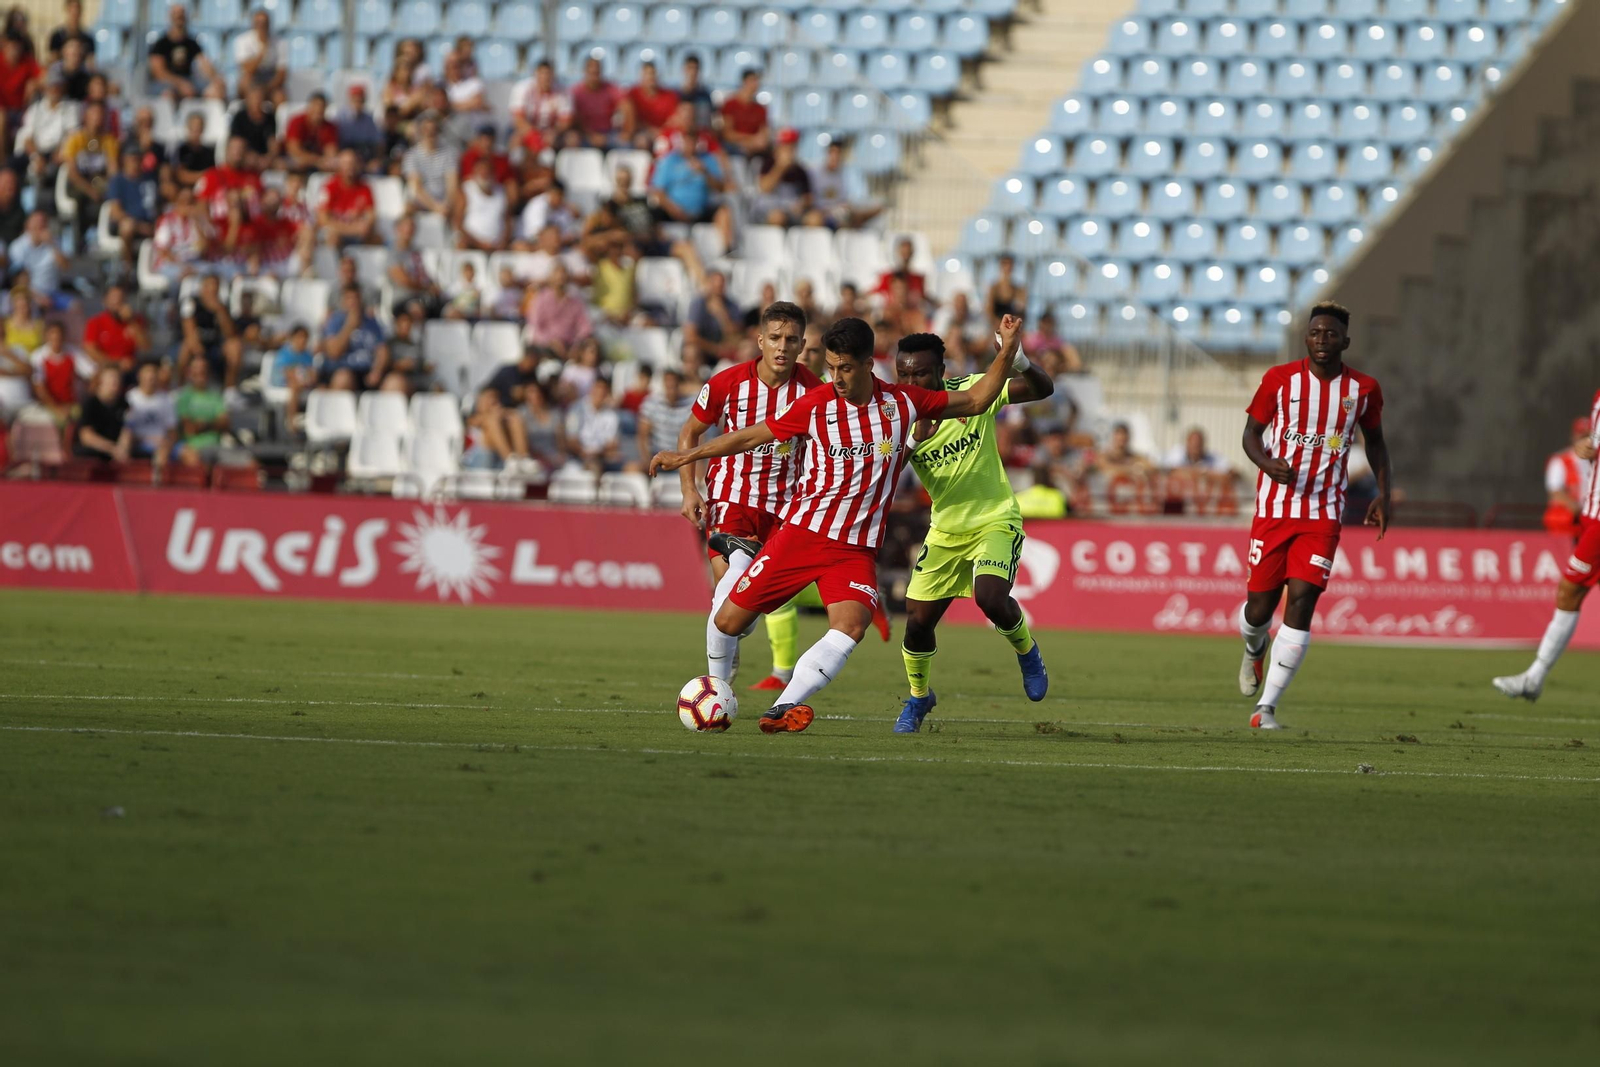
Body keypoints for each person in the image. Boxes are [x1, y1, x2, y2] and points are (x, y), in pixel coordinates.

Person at [651, 315, 1024, 732]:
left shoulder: (902, 403)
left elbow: (976, 400)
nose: (837, 377)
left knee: (851, 626)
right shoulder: (816, 404)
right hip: (800, 536)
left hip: (853, 551)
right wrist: (686, 457)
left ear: (868, 364)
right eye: (831, 367)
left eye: (845, 367)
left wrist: (1008, 348)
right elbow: (751, 436)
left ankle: (783, 706)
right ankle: (739, 597)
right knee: (728, 623)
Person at [893, 330, 1056, 731]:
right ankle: (919, 698)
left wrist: (1016, 360)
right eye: (904, 376)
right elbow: (883, 472)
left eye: (922, 375)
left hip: (994, 517)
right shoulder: (896, 415)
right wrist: (915, 439)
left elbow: (1042, 389)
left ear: (942, 372)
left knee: (990, 598)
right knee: (916, 625)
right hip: (946, 530)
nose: (912, 384)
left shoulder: (969, 391)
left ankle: (1027, 652)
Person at [1238, 302, 1390, 729]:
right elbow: (1251, 435)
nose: (1321, 340)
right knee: (1258, 608)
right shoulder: (1279, 380)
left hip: (1324, 512)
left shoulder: (1363, 389)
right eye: (1315, 333)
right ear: (1306, 338)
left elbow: (1376, 443)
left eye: (1329, 334)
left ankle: (1266, 708)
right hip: (1273, 509)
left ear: (1345, 341)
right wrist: (1268, 464)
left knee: (1302, 601)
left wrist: (1384, 492)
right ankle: (1253, 651)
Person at [675, 302, 832, 690]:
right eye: (775, 338)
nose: (782, 347)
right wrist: (689, 489)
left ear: (801, 345)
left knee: (741, 615)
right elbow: (689, 433)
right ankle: (716, 691)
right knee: (728, 595)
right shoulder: (727, 384)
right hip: (732, 501)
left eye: (791, 340)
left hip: (783, 511)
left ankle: (731, 640)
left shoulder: (815, 393)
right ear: (760, 340)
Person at [1494, 391, 1600, 701]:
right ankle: (1534, 677)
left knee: (1571, 588)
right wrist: (1588, 447)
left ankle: (1535, 677)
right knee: (1571, 589)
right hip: (1591, 514)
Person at [648, 129, 734, 251]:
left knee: (723, 210)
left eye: (693, 142)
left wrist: (705, 173)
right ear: (681, 142)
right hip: (674, 211)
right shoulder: (670, 161)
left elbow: (720, 188)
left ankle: (727, 248)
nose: (690, 145)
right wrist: (674, 210)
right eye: (686, 141)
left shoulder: (707, 160)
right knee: (651, 212)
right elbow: (658, 191)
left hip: (700, 210)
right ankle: (656, 248)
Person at [60, 100, 117, 245]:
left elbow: (113, 170)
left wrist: (110, 187)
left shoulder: (108, 140)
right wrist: (90, 191)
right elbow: (72, 172)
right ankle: (79, 238)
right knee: (80, 198)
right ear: (85, 116)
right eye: (94, 113)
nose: (97, 117)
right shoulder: (75, 139)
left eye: (101, 114)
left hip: (99, 181)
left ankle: (101, 235)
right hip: (79, 183)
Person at [148, 4, 224, 101]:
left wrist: (216, 79)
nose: (179, 17)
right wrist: (180, 83)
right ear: (170, 17)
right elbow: (159, 73)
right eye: (176, 14)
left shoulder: (192, 43)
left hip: (188, 81)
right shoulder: (160, 44)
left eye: (181, 14)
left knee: (214, 92)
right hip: (165, 84)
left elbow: (204, 63)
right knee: (168, 95)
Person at [179, 273, 242, 389]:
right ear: (203, 287)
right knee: (187, 346)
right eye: (209, 286)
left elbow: (230, 334)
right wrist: (201, 355)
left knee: (235, 346)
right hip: (196, 347)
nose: (213, 289)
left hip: (215, 346)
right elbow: (190, 333)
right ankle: (179, 386)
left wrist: (219, 311)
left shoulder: (222, 306)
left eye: (215, 286)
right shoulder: (191, 303)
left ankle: (230, 389)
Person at [321, 284, 390, 388]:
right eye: (349, 298)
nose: (353, 302)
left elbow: (382, 351)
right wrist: (350, 326)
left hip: (367, 371)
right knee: (344, 379)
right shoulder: (335, 322)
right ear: (343, 301)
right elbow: (334, 352)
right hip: (343, 369)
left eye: (356, 298)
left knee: (395, 382)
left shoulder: (372, 322)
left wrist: (377, 371)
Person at [29, 320, 94, 422]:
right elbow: (39, 388)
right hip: (47, 406)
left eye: (59, 335)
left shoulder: (74, 353)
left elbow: (93, 374)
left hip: (72, 405)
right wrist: (56, 409)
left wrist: (87, 396)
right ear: (46, 336)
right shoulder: (38, 356)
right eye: (52, 335)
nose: (56, 339)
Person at [753, 128, 819, 227]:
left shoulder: (800, 171)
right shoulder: (767, 164)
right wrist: (781, 167)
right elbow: (764, 188)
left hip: (793, 212)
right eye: (786, 146)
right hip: (768, 211)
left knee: (815, 218)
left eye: (792, 147)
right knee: (778, 217)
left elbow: (809, 197)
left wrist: (801, 204)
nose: (790, 151)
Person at [523, 262, 591, 357]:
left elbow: (585, 327)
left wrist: (576, 345)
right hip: (546, 345)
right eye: (557, 273)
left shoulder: (575, 301)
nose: (561, 276)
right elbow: (535, 326)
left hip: (570, 345)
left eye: (563, 273)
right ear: (550, 277)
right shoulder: (540, 299)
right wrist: (552, 342)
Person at [1543, 416, 1594, 537]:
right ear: (1574, 436)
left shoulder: (1596, 461)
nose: (1585, 440)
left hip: (1591, 519)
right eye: (1582, 436)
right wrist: (1578, 509)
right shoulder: (1561, 461)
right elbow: (1555, 492)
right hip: (1570, 522)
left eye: (1588, 436)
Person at [402, 111, 459, 217]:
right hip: (421, 203)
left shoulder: (449, 154)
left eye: (434, 130)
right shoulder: (411, 155)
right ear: (421, 131)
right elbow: (416, 188)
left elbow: (452, 184)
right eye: (426, 130)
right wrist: (435, 207)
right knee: (408, 207)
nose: (430, 133)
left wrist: (446, 204)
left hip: (444, 202)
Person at [8, 211, 70, 309]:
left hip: (54, 293)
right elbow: (19, 280)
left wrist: (52, 244)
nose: (40, 228)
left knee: (75, 306)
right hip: (29, 294)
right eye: (36, 224)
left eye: (43, 224)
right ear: (27, 226)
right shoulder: (18, 247)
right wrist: (38, 298)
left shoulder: (54, 242)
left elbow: (66, 267)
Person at [173, 358, 229, 467]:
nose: (200, 374)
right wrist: (214, 424)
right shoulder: (184, 397)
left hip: (217, 446)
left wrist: (204, 425)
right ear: (190, 373)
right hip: (194, 447)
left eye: (203, 370)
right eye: (196, 370)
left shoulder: (215, 395)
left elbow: (226, 423)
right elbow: (190, 429)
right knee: (200, 465)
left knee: (252, 465)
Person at [315, 149, 376, 248]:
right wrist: (350, 229)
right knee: (333, 238)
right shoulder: (329, 187)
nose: (349, 167)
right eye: (346, 163)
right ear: (339, 165)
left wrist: (365, 225)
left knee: (376, 238)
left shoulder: (365, 188)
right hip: (337, 230)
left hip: (358, 233)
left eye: (352, 163)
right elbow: (323, 219)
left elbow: (371, 216)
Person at [682, 270, 742, 369]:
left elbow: (736, 336)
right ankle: (693, 380)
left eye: (721, 286)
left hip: (724, 348)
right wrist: (715, 349)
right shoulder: (698, 304)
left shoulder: (731, 305)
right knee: (691, 351)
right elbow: (690, 336)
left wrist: (722, 315)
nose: (718, 289)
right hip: (705, 348)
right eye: (715, 286)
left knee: (745, 349)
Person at [462, 386, 529, 470]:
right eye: (490, 397)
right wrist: (496, 415)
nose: (493, 400)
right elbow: (475, 422)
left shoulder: (501, 418)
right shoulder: (474, 419)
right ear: (480, 400)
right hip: (476, 459)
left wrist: (505, 414)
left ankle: (524, 459)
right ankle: (510, 459)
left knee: (514, 418)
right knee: (492, 421)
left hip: (498, 460)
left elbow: (511, 415)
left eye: (496, 397)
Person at [83, 283, 147, 370]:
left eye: (121, 298)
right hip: (107, 367)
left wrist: (132, 322)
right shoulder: (95, 322)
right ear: (105, 301)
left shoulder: (136, 320)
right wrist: (116, 363)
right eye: (113, 298)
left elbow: (146, 347)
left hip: (132, 368)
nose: (117, 301)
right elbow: (90, 350)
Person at [123, 360, 176, 463]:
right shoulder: (130, 398)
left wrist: (167, 445)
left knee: (188, 453)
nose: (150, 377)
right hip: (137, 442)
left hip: (162, 443)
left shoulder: (167, 399)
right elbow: (126, 430)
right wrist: (150, 439)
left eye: (154, 373)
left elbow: (172, 431)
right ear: (139, 376)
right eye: (147, 373)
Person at [73, 365, 128, 461]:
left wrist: (123, 448)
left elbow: (128, 430)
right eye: (111, 377)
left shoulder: (124, 404)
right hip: (97, 450)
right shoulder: (90, 403)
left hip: (118, 450)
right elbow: (86, 437)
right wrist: (111, 449)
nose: (115, 381)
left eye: (117, 378)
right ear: (100, 381)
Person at [454, 155, 507, 252]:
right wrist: (479, 244)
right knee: (461, 245)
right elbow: (457, 223)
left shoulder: (501, 191)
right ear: (475, 172)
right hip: (471, 243)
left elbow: (507, 219)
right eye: (481, 170)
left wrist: (503, 242)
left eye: (487, 171)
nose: (484, 174)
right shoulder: (466, 190)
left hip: (497, 246)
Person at [233, 7, 287, 102]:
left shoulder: (280, 42)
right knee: (246, 81)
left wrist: (267, 88)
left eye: (265, 23)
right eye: (259, 23)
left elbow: (282, 73)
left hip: (270, 80)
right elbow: (247, 69)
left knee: (280, 97)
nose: (262, 26)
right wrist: (262, 51)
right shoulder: (242, 40)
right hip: (253, 78)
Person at [566, 56, 621, 148]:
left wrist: (627, 133)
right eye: (592, 72)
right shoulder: (576, 92)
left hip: (608, 133)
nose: (594, 76)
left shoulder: (610, 89)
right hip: (584, 134)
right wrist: (591, 136)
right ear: (585, 71)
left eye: (597, 72)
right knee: (572, 140)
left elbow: (626, 106)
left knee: (624, 144)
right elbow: (575, 119)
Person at [621, 61, 678, 149]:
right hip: (640, 133)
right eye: (647, 74)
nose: (651, 77)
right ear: (641, 75)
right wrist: (650, 130)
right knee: (641, 141)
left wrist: (660, 132)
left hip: (663, 134)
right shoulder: (632, 95)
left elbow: (673, 121)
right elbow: (630, 120)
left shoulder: (669, 96)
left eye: (653, 73)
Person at [269, 321, 316, 424]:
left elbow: (312, 373)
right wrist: (303, 379)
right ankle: (292, 422)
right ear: (293, 337)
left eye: (305, 337)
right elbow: (287, 373)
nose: (303, 340)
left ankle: (312, 422)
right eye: (300, 337)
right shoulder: (284, 353)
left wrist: (308, 379)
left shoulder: (308, 355)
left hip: (303, 382)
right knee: (294, 387)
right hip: (283, 383)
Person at [719, 68, 770, 157]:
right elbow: (727, 134)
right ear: (744, 81)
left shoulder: (760, 109)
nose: (756, 84)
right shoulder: (730, 105)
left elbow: (764, 135)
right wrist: (750, 139)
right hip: (735, 148)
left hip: (755, 149)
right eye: (753, 80)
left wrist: (755, 142)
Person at [285, 91, 338, 172]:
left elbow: (331, 152)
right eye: (316, 106)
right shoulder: (297, 122)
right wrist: (316, 160)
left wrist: (323, 161)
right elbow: (294, 150)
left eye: (321, 107)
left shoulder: (329, 127)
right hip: (299, 161)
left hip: (319, 163)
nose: (318, 109)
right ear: (309, 106)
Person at [229, 83, 278, 163]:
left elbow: (272, 142)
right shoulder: (240, 117)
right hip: (245, 155)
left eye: (259, 97)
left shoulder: (270, 118)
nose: (257, 101)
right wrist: (252, 156)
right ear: (248, 99)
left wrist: (269, 157)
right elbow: (237, 142)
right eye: (254, 97)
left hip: (265, 158)